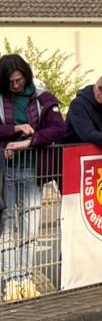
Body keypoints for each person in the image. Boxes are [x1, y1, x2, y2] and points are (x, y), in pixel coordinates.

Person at [0, 54, 66, 295]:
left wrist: (28, 142)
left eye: (19, 80)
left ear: (26, 76)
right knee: (7, 226)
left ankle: (26, 278)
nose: (16, 85)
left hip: (32, 168)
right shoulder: (1, 99)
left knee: (30, 227)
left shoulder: (43, 98)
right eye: (10, 82)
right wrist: (14, 129)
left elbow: (58, 128)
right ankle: (11, 281)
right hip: (4, 170)